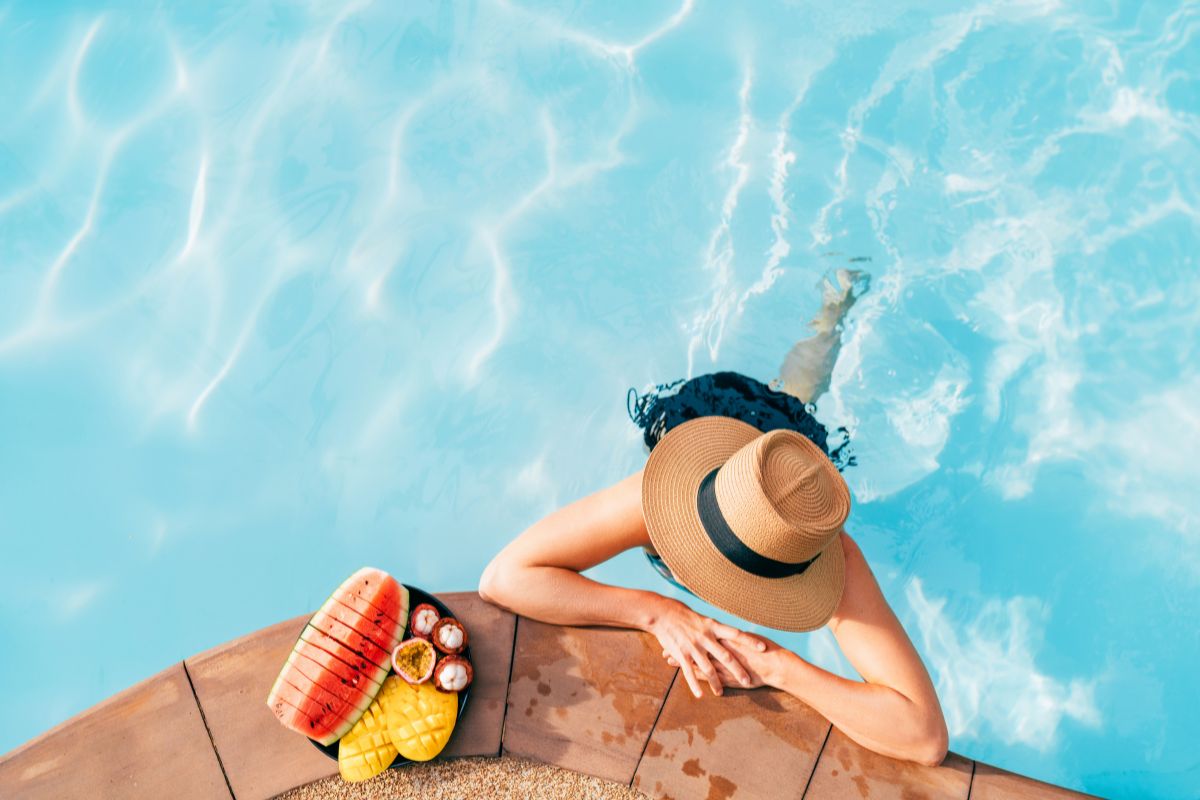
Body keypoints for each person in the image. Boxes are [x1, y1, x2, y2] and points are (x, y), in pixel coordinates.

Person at [479, 269, 949, 767]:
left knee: (796, 396)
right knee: (789, 390)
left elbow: (923, 736)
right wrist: (656, 612)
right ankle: (828, 318)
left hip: (778, 451)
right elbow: (505, 577)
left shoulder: (823, 548)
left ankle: (831, 318)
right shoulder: (655, 498)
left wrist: (782, 667)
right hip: (703, 431)